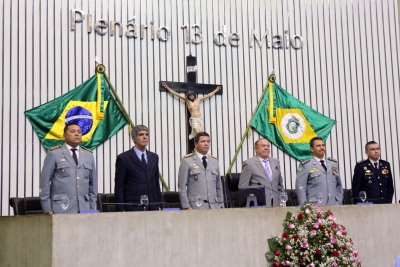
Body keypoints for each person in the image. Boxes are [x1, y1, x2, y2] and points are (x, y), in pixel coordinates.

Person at [39, 123, 97, 214]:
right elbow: (44, 183)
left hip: (85, 208)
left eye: (79, 132)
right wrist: (47, 209)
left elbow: (93, 185)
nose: (77, 134)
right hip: (62, 207)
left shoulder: (88, 155)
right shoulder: (54, 153)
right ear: (64, 136)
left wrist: (92, 208)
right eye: (72, 131)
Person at [114, 125, 162, 211]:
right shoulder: (124, 158)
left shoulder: (154, 157)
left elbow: (156, 183)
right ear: (133, 138)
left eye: (146, 134)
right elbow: (119, 187)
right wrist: (121, 209)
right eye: (141, 135)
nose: (145, 137)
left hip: (153, 206)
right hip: (133, 207)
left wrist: (160, 205)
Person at [178, 132, 223, 209]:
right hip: (195, 206)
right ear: (196, 144)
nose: (206, 144)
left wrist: (220, 204)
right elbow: (182, 186)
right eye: (203, 141)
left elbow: (218, 185)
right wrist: (186, 206)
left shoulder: (214, 161)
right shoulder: (187, 161)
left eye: (208, 141)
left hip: (214, 206)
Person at [296, 137, 343, 206]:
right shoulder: (306, 165)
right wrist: (305, 207)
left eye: (323, 145)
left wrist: (339, 201)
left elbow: (339, 185)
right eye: (318, 146)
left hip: (334, 205)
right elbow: (301, 188)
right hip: (315, 207)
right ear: (311, 149)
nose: (322, 147)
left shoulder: (333, 163)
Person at [238, 138, 285, 207]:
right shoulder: (249, 164)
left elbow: (280, 185)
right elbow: (243, 188)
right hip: (258, 206)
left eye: (268, 146)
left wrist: (282, 201)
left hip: (276, 205)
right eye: (263, 146)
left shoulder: (276, 162)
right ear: (255, 148)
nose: (266, 148)